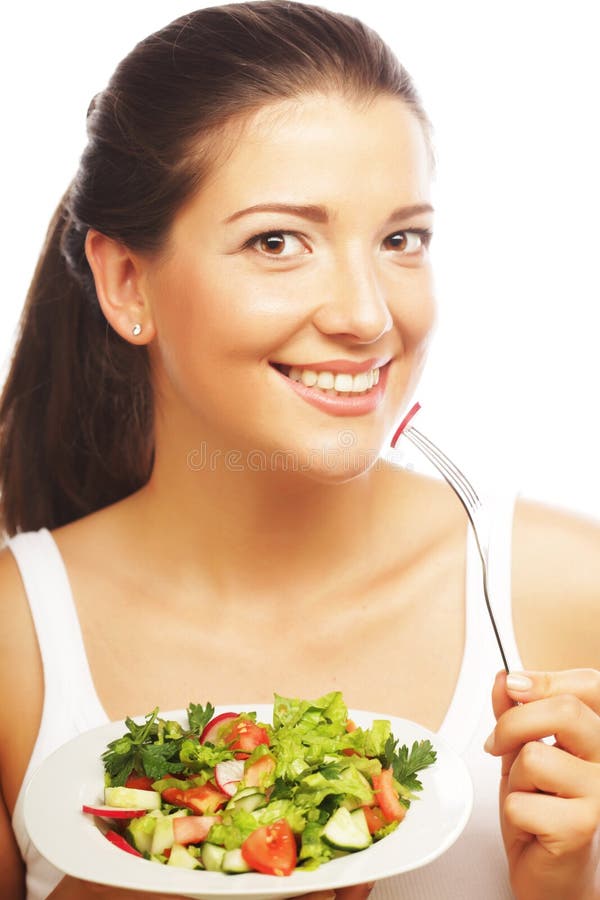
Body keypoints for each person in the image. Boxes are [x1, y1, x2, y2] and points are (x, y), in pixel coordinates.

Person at [0, 2, 598, 898]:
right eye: (278, 241)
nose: (366, 316)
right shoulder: (14, 647)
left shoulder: (570, 593)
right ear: (128, 282)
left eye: (402, 240)